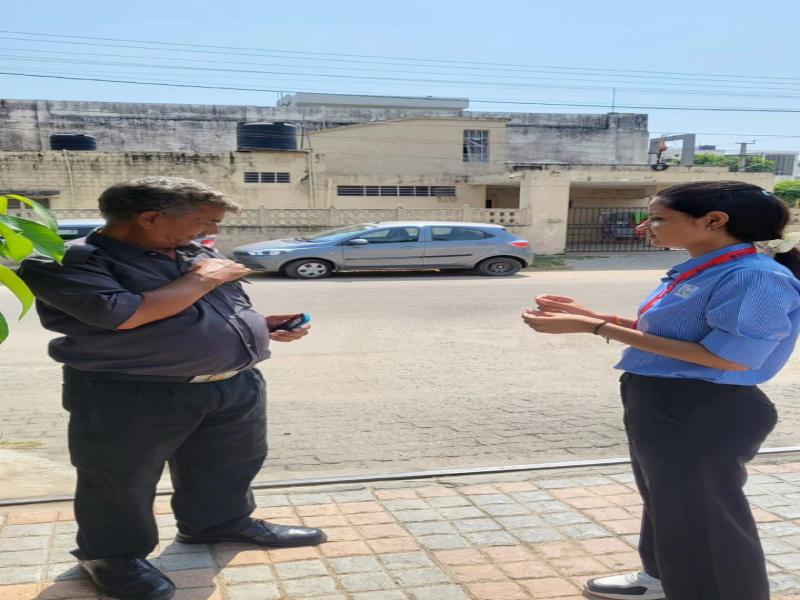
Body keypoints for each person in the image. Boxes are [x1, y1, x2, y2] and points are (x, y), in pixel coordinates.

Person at [18, 176, 326, 600]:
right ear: (149, 218)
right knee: (119, 480)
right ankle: (111, 556)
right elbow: (123, 315)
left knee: (229, 463)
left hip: (233, 383)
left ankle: (217, 523)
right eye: (204, 222)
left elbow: (206, 308)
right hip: (131, 392)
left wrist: (260, 325)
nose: (211, 232)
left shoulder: (192, 252)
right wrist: (203, 279)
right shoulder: (67, 261)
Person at [522, 181, 800, 600]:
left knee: (703, 517)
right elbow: (678, 332)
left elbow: (730, 357)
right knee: (666, 501)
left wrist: (596, 327)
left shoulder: (754, 276)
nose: (644, 227)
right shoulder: (706, 267)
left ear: (713, 221)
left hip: (702, 407)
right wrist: (595, 316)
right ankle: (661, 577)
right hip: (665, 400)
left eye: (657, 218)